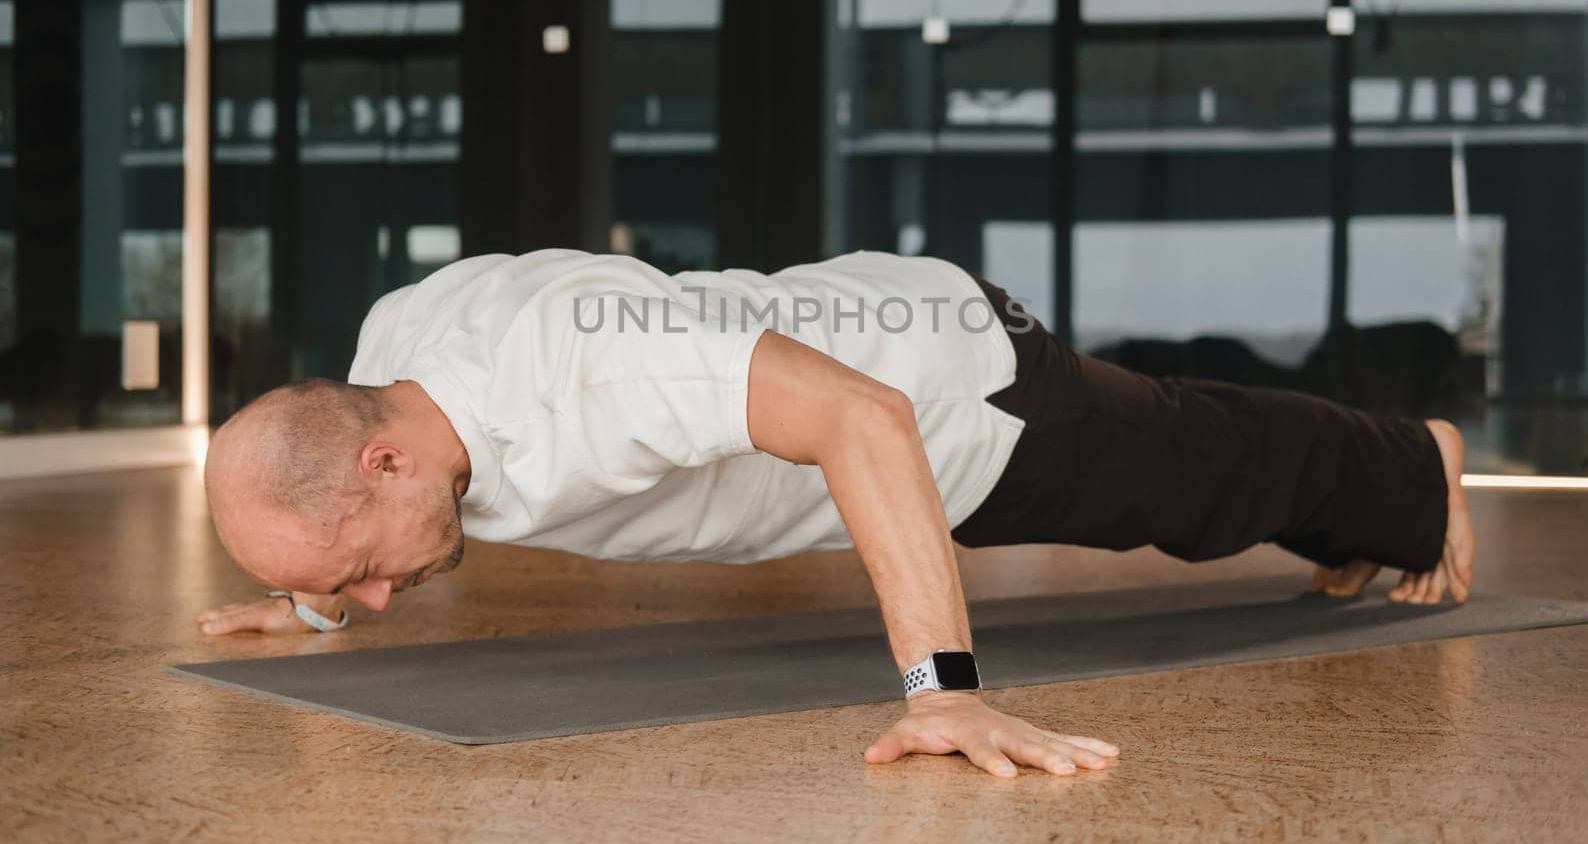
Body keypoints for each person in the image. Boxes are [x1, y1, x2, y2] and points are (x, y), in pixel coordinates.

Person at [197, 249, 1475, 779]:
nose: (375, 596)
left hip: (954, 386)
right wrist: (304, 597)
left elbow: (864, 419)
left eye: (360, 571)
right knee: (1205, 474)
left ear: (382, 466)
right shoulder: (387, 363)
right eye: (346, 586)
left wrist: (943, 688)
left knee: (1202, 480)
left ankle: (1416, 465)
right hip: (867, 362)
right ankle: (1364, 509)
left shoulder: (582, 368)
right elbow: (335, 504)